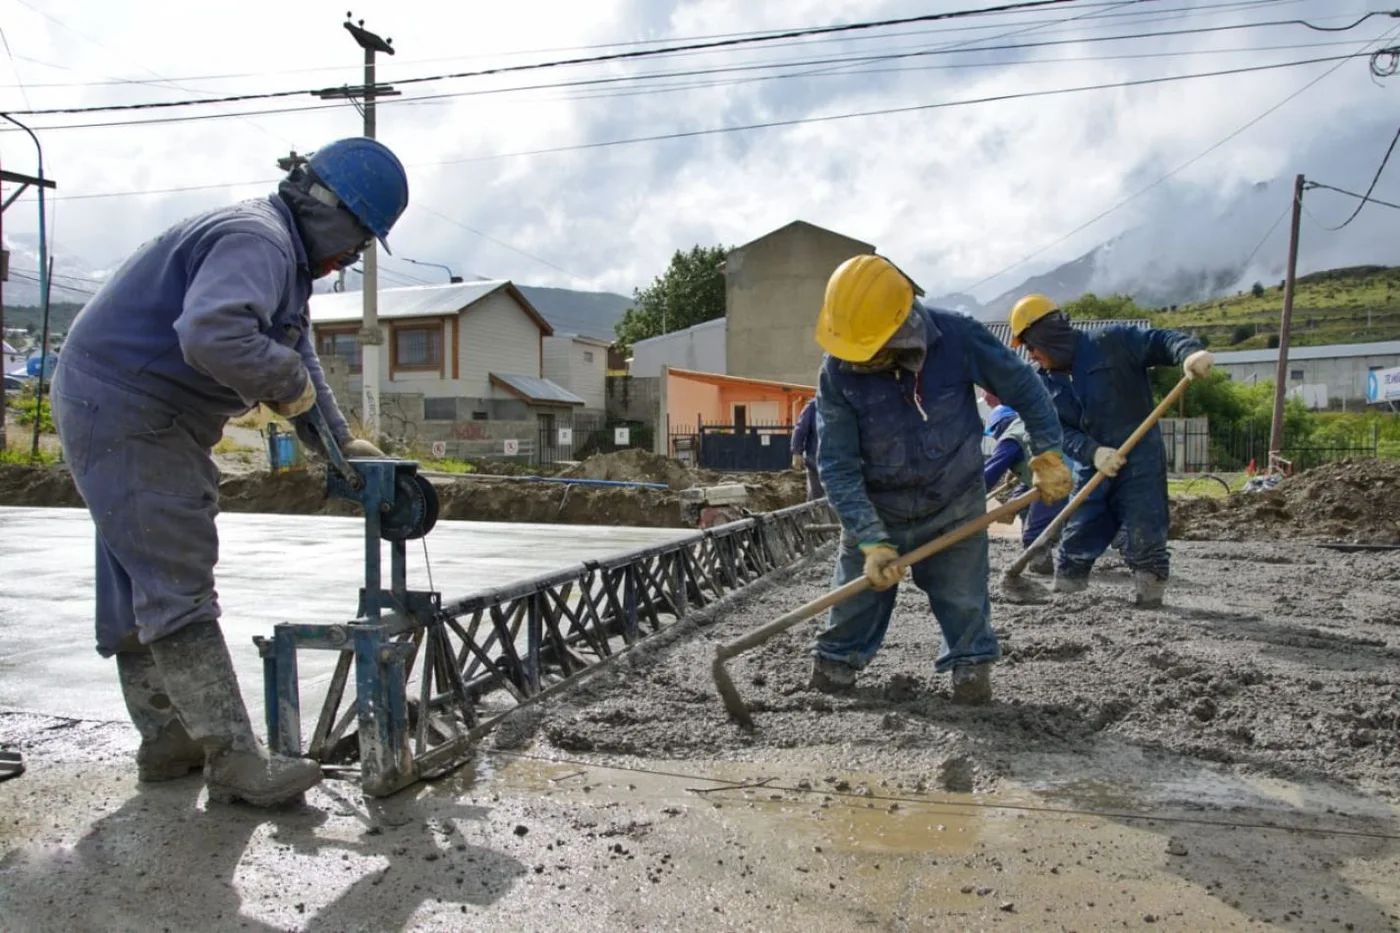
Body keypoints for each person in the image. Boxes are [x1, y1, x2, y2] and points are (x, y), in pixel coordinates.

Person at [49, 137, 409, 807]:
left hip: (129, 402)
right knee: (175, 563)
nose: (349, 260)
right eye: (357, 242)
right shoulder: (260, 241)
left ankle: (169, 737)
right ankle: (233, 759)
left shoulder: (284, 262)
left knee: (139, 570)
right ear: (329, 209)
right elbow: (213, 334)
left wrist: (340, 443)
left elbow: (296, 357)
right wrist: (286, 384)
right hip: (126, 403)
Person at [809, 255, 1072, 704]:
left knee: (964, 601)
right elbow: (836, 463)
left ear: (898, 324)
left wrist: (1046, 452)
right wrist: (870, 539)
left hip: (954, 503)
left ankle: (971, 676)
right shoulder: (837, 371)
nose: (860, 359)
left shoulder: (957, 338)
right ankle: (833, 672)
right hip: (879, 508)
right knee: (852, 605)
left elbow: (1025, 387)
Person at [1007, 294, 1213, 608]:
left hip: (1140, 458)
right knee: (1077, 536)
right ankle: (1066, 598)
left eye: (1031, 347)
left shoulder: (1111, 341)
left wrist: (1188, 354)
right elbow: (1061, 432)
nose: (1032, 355)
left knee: (1146, 533)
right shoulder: (1045, 384)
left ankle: (1150, 599)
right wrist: (1092, 452)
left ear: (1045, 336)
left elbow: (1160, 340)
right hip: (1095, 467)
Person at [980, 389, 1065, 576]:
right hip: (1061, 478)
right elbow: (1028, 488)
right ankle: (1054, 539)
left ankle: (1040, 564)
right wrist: (1011, 506)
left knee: (1033, 534)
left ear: (999, 426)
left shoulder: (1011, 437)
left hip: (1057, 483)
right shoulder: (1029, 426)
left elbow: (989, 474)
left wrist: (967, 501)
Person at [790, 396, 824, 500]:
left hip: (842, 462)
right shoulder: (814, 406)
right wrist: (796, 453)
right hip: (816, 461)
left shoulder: (847, 407)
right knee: (816, 497)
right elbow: (800, 429)